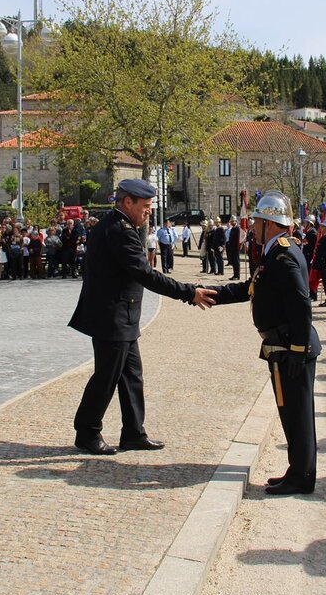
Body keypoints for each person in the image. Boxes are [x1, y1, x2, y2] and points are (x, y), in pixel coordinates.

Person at [69, 179, 216, 455]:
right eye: (146, 206)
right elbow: (145, 274)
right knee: (107, 376)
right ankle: (87, 432)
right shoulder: (120, 232)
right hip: (113, 317)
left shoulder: (115, 225)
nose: (149, 211)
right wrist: (188, 292)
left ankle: (134, 432)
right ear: (128, 202)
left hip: (120, 315)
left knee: (131, 376)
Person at [207, 190, 320, 494]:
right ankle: (297, 469)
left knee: (298, 413)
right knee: (291, 411)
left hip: (289, 347)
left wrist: (298, 349)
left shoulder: (283, 255)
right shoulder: (276, 251)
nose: (252, 226)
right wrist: (210, 295)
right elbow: (252, 288)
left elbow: (300, 305)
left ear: (269, 223)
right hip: (282, 345)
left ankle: (302, 476)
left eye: (257, 221)